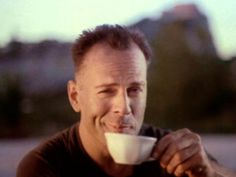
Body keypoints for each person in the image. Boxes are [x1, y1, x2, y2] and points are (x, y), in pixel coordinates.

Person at [17, 24, 235, 177]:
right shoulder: (43, 167)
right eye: (107, 91)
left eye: (134, 89)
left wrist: (205, 172)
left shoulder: (170, 153)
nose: (124, 107)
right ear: (75, 97)